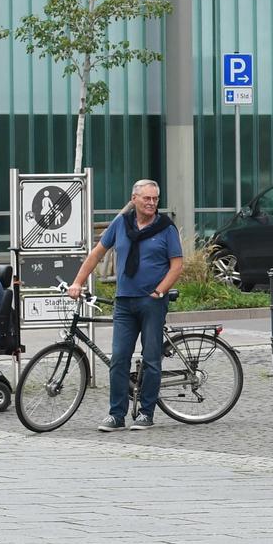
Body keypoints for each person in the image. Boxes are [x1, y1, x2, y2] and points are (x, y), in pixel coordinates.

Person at [66, 179, 185, 431]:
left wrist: (160, 290)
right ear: (134, 199)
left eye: (155, 199)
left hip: (152, 302)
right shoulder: (121, 224)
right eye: (147, 199)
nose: (152, 203)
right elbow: (97, 253)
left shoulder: (166, 228)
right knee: (119, 358)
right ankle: (116, 414)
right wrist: (77, 282)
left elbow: (177, 265)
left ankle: (146, 412)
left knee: (151, 358)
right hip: (124, 302)